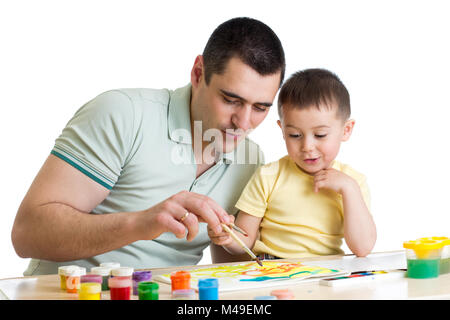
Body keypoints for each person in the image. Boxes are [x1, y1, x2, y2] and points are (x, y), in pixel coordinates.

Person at [11, 17, 285, 275]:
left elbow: (229, 272)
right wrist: (141, 223)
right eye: (231, 100)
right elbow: (26, 234)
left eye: (260, 108)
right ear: (198, 73)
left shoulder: (251, 160)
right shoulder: (123, 114)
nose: (244, 123)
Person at [209, 69, 376, 259]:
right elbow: (245, 239)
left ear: (346, 130)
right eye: (295, 135)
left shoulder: (353, 182)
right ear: (282, 130)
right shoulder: (269, 176)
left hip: (327, 273)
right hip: (273, 271)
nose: (307, 146)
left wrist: (349, 189)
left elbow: (362, 249)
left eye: (320, 135)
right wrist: (229, 237)